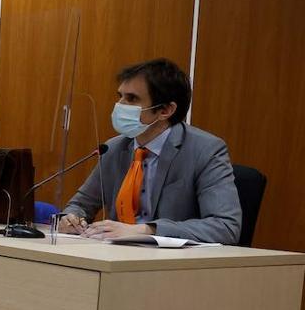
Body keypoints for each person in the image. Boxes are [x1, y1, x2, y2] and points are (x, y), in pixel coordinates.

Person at [58, 58, 240, 244]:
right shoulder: (114, 148)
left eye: (132, 98)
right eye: (120, 96)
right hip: (114, 256)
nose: (120, 105)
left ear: (165, 110)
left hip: (170, 265)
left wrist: (147, 230)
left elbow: (225, 227)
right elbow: (80, 205)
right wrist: (72, 218)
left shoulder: (205, 150)